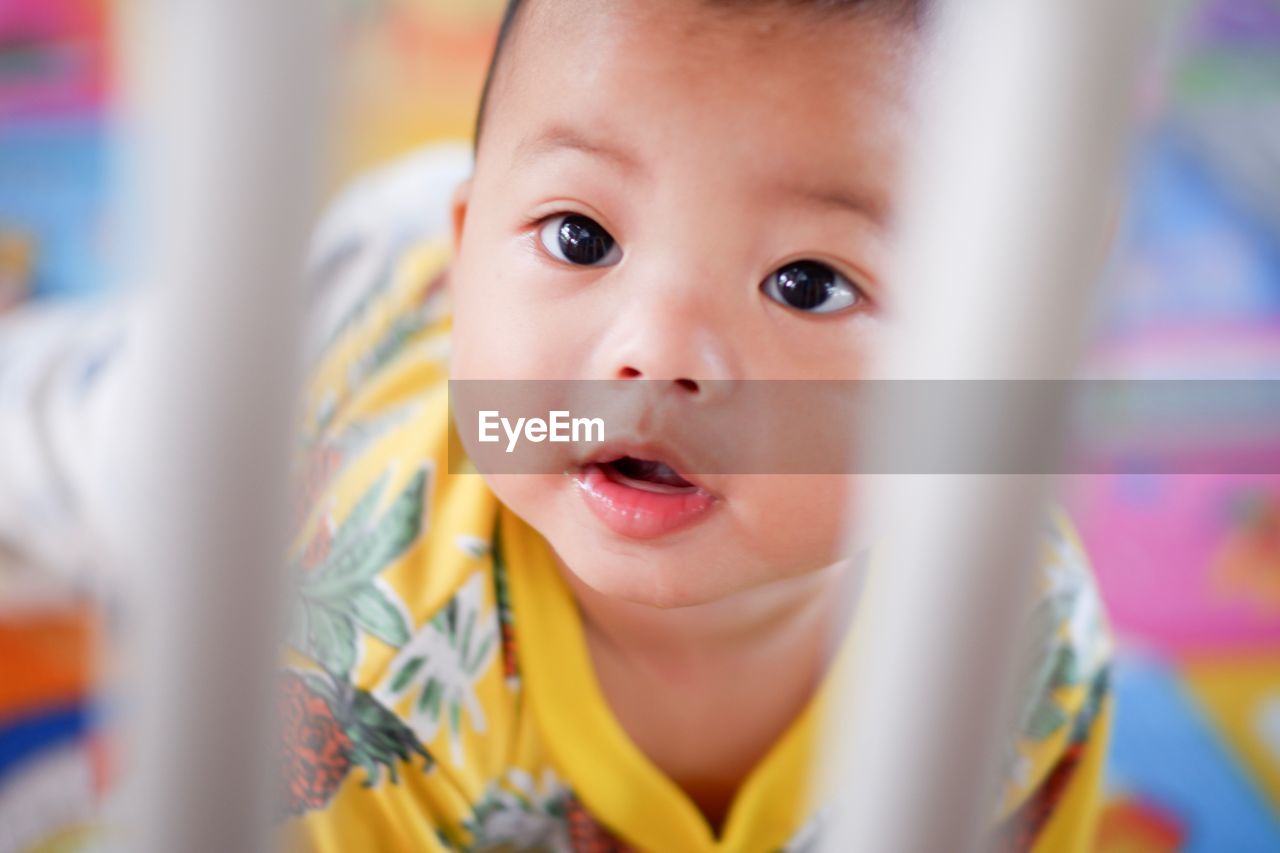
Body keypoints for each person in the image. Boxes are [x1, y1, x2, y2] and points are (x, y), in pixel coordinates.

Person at [0, 1, 1112, 850]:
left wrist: (569, 235)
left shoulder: (1020, 648)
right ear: (474, 233)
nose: (656, 352)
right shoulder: (373, 657)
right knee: (82, 437)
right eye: (583, 238)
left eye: (808, 282)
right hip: (335, 345)